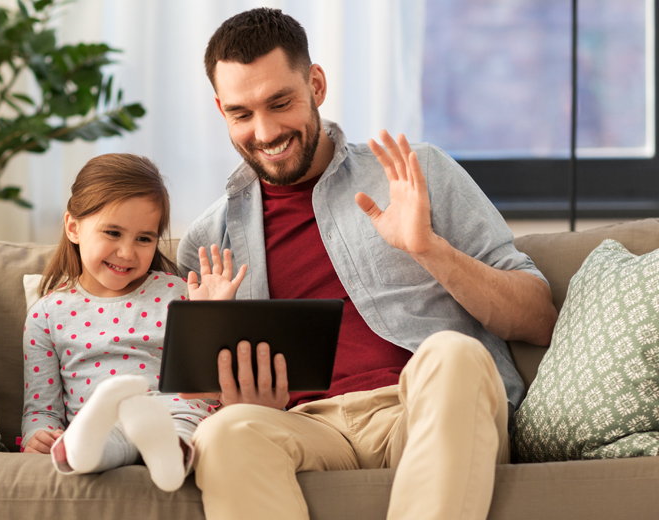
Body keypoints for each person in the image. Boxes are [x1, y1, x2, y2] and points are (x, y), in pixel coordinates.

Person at [176, 8, 558, 520]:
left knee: (454, 354)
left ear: (316, 84)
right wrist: (237, 399)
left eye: (280, 102)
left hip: (420, 408)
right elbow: (196, 398)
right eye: (241, 114)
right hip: (305, 429)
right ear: (221, 109)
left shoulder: (414, 173)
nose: (264, 132)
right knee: (222, 433)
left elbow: (538, 318)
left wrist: (428, 248)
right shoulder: (208, 241)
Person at [20, 153, 246, 492]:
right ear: (73, 227)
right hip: (100, 421)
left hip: (175, 412)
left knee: (185, 424)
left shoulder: (179, 293)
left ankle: (171, 457)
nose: (127, 253)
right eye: (113, 233)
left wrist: (209, 317)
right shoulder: (46, 314)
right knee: (102, 444)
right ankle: (84, 449)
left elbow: (210, 392)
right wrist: (36, 434)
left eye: (144, 238)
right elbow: (40, 407)